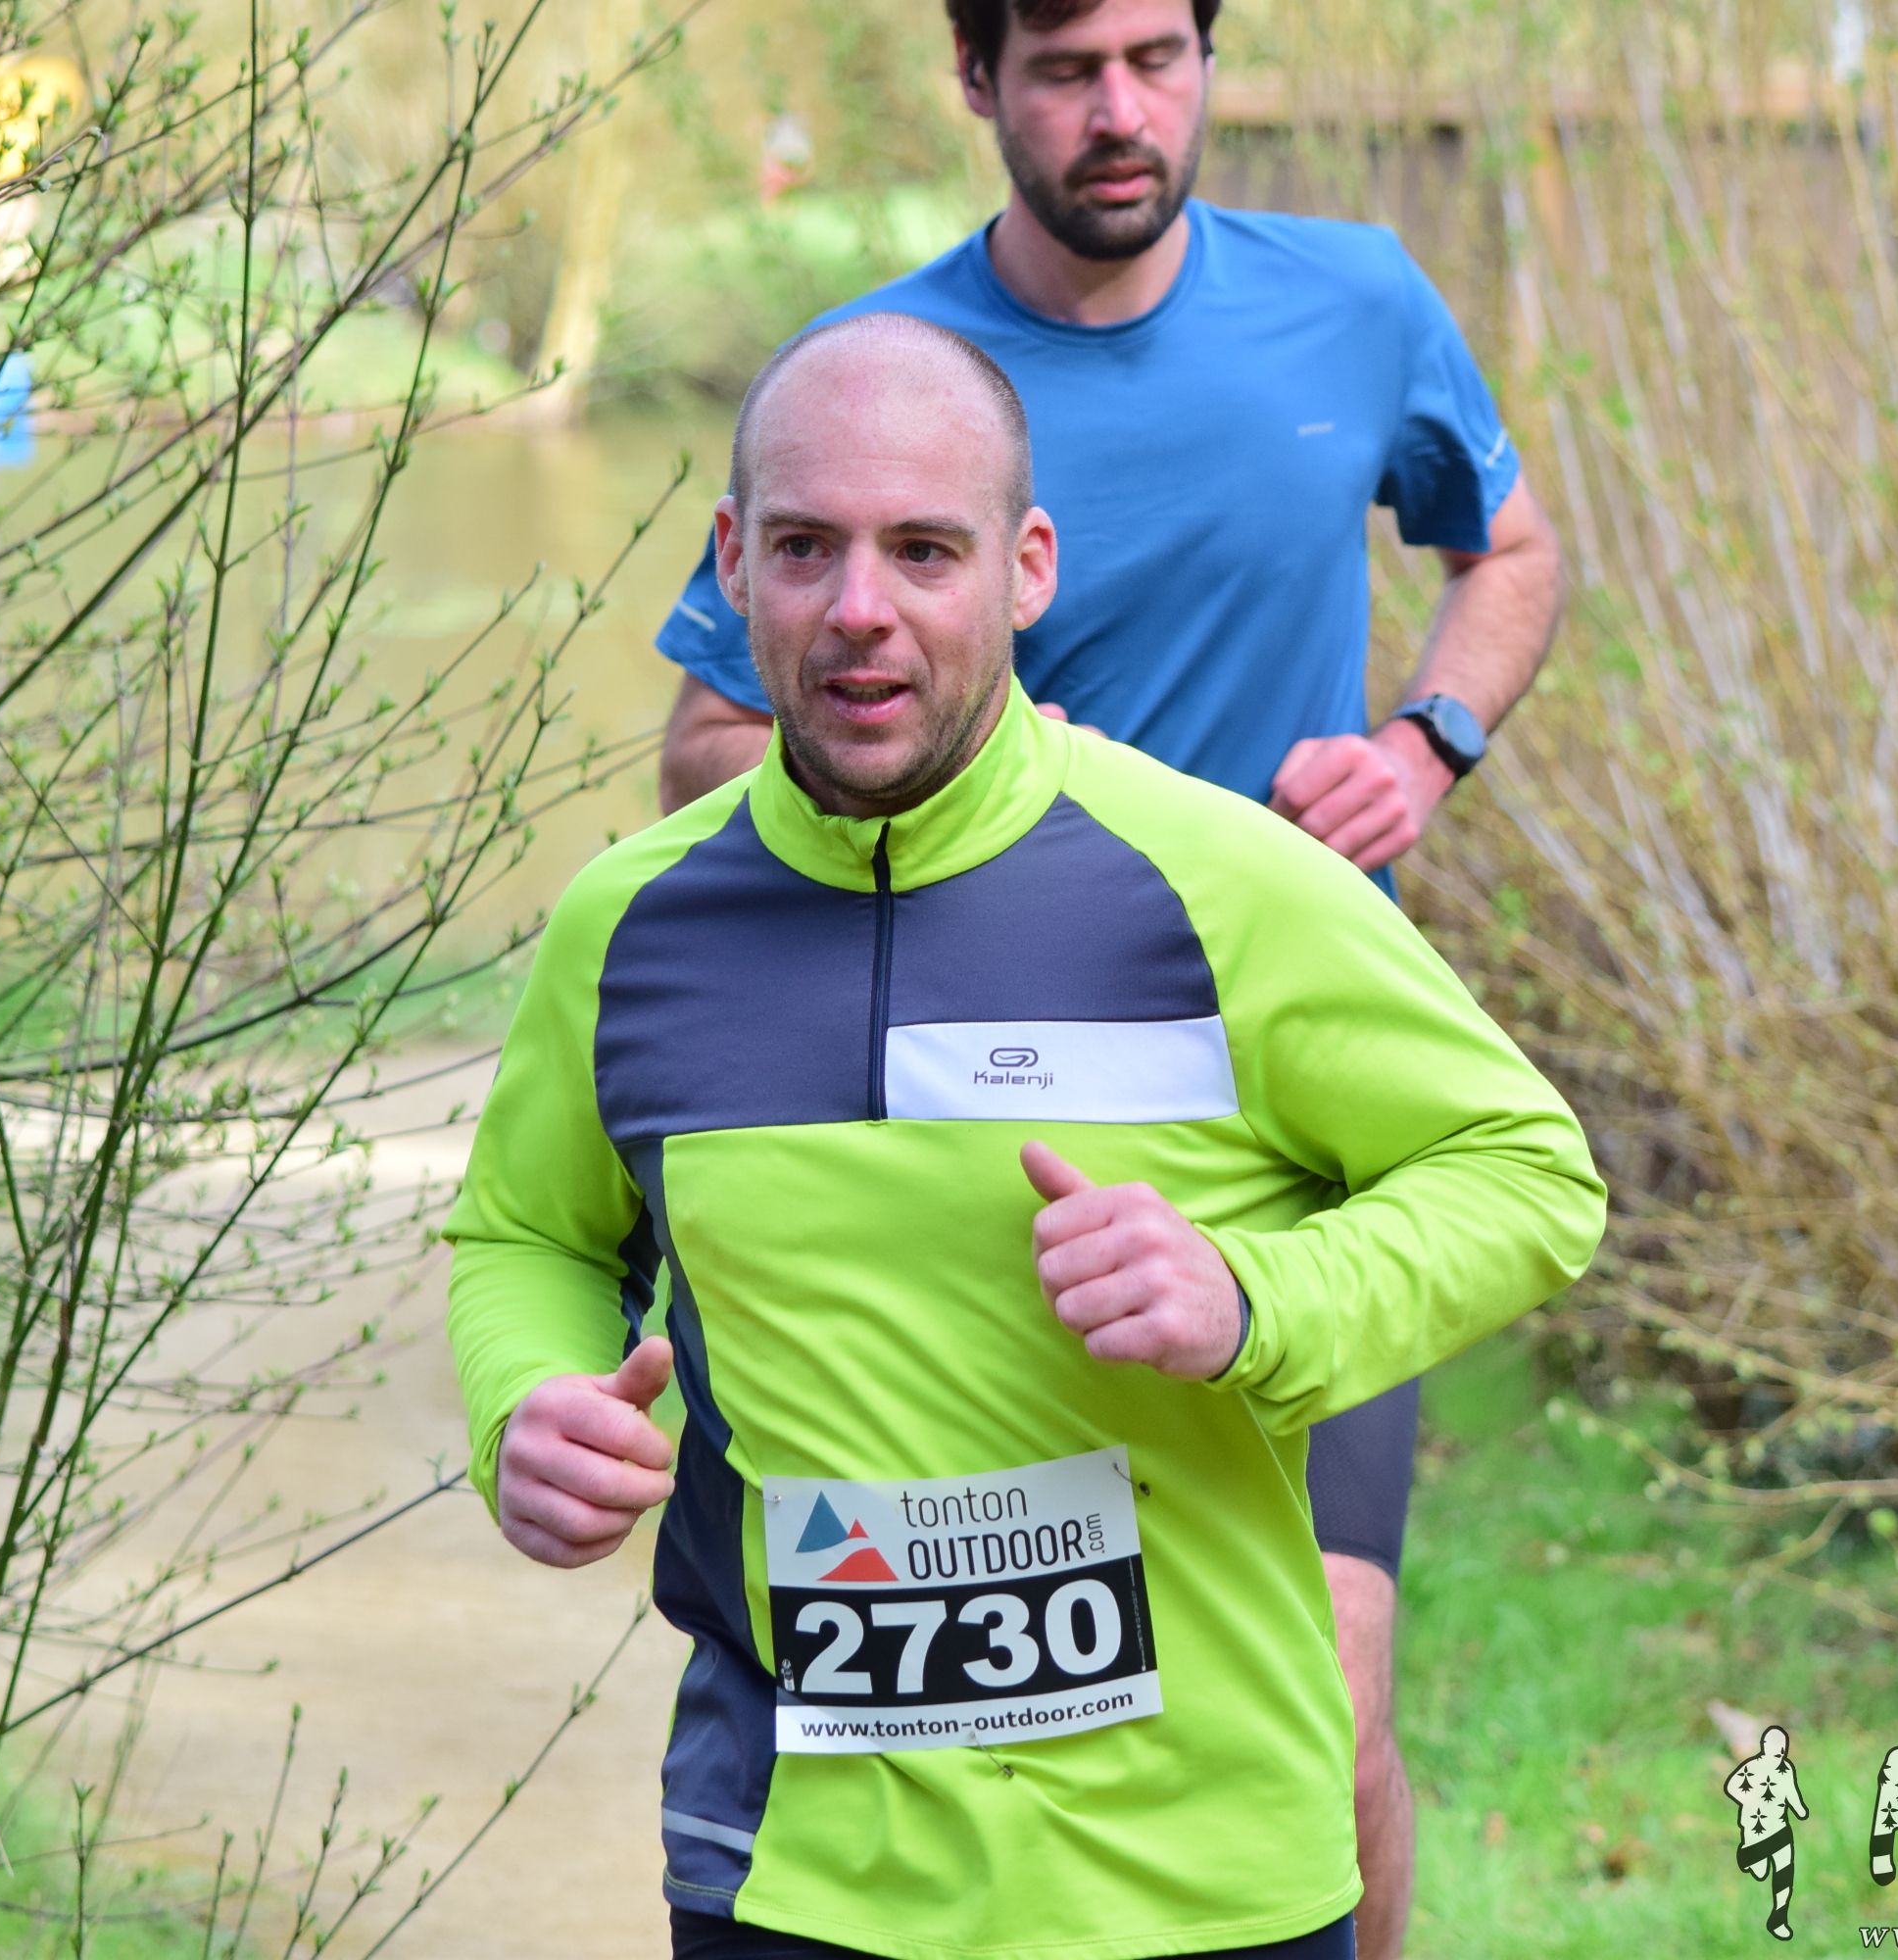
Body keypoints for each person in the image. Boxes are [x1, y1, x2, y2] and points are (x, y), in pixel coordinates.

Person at [448, 315, 1602, 1960]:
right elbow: (530, 1233)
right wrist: (528, 1402)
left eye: (925, 551)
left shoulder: (1219, 881)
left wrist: (1255, 1300)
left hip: (1190, 1878)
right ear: (734, 565)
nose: (860, 608)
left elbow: (1528, 1174)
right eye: (806, 548)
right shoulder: (629, 926)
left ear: (1027, 569)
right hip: (786, 1872)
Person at [650, 12, 1564, 1950]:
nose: (1121, 109)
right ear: (978, 80)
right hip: (992, 1143)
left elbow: (1507, 550)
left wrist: (1425, 745)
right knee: (1001, 1683)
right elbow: (708, 750)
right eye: (1066, 64)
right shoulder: (886, 385)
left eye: (1158, 54)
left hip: (1287, 1134)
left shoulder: (1354, 304)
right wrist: (967, 777)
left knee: (1337, 1693)